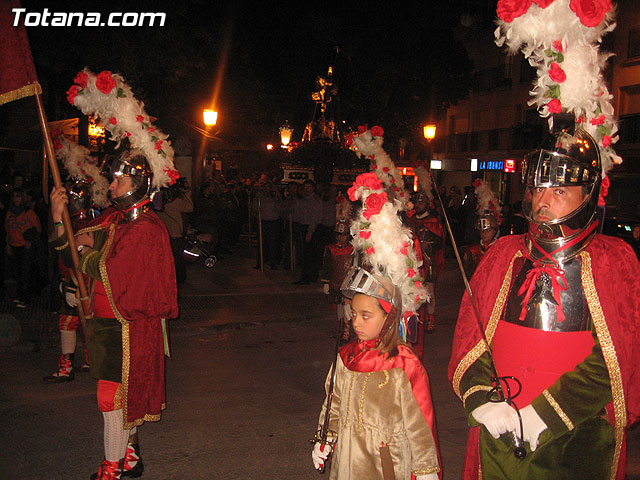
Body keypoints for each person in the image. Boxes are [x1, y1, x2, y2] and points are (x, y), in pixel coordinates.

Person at [448, 124, 640, 479]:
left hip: (575, 436)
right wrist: (482, 401)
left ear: (588, 195)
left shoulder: (615, 260)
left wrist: (546, 414)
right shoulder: (504, 254)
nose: (542, 202)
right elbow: (470, 338)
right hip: (500, 429)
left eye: (560, 191)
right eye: (538, 189)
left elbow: (619, 357)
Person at [50, 149, 178, 479]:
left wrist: (86, 251)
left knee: (111, 399)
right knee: (121, 398)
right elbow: (71, 254)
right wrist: (58, 217)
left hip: (129, 327)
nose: (111, 188)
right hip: (105, 325)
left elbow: (115, 272)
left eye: (118, 182)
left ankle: (113, 469)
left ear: (137, 184)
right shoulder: (112, 220)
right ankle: (130, 458)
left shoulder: (147, 228)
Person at [312, 267, 441, 479]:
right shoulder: (347, 357)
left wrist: (426, 469)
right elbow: (333, 403)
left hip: (384, 463)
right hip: (347, 459)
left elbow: (419, 424)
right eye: (354, 314)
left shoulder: (403, 364)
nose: (356, 322)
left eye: (366, 316)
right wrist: (324, 438)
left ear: (388, 317)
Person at [44, 178, 98, 383]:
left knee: (73, 321)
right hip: (73, 280)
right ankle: (86, 359)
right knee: (78, 322)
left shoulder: (87, 224)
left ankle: (71, 366)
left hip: (82, 282)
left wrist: (73, 285)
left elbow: (77, 259)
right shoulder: (79, 221)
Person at [407, 191, 445, 342]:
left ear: (427, 205)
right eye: (417, 202)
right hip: (414, 261)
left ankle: (430, 317)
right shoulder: (411, 220)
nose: (419, 205)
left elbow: (439, 242)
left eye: (422, 203)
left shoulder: (433, 222)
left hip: (429, 261)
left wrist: (427, 241)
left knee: (429, 291)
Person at [5, 188, 41, 308]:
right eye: (14, 196)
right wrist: (8, 244)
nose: (16, 199)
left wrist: (29, 240)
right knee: (18, 272)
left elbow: (37, 228)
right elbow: (8, 229)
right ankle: (20, 295)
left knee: (25, 272)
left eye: (18, 196)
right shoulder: (10, 212)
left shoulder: (28, 213)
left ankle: (25, 298)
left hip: (25, 246)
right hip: (14, 245)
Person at [319, 218, 354, 340]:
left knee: (347, 308)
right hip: (335, 282)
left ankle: (346, 332)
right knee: (338, 307)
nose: (341, 237)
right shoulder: (331, 249)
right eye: (338, 234)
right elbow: (327, 267)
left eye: (344, 235)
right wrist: (326, 282)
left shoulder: (352, 249)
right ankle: (340, 329)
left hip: (348, 284)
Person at [461, 180, 502, 278]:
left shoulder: (501, 251)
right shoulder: (473, 251)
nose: (484, 234)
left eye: (488, 231)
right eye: (482, 231)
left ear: (495, 231)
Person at [157, 178, 193, 284]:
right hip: (176, 235)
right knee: (178, 258)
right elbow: (190, 207)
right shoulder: (176, 203)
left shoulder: (159, 205)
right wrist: (186, 194)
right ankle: (180, 278)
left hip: (166, 234)